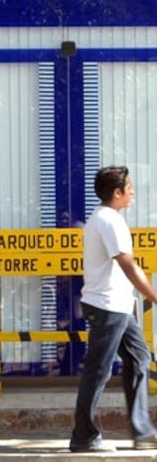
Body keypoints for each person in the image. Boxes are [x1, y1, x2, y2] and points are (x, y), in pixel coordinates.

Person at [70, 165, 157, 453]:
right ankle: (84, 437)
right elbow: (127, 263)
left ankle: (142, 432)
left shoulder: (103, 218)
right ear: (116, 192)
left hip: (117, 304)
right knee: (98, 370)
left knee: (140, 359)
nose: (132, 192)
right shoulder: (109, 220)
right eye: (129, 188)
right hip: (108, 306)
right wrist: (152, 295)